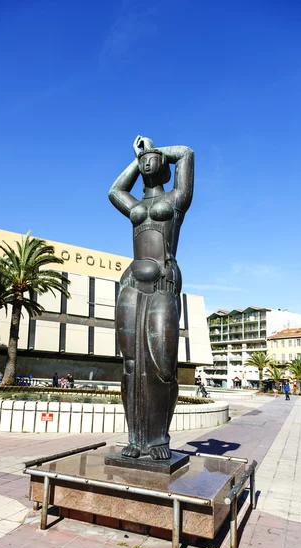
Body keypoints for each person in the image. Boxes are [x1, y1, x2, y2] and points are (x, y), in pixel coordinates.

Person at [109, 135, 193, 460]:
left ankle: (157, 437)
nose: (147, 161)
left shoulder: (175, 200)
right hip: (131, 282)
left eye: (152, 160)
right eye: (144, 161)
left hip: (162, 281)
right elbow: (114, 191)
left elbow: (186, 153)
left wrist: (158, 152)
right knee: (130, 363)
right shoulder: (136, 205)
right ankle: (135, 437)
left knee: (162, 363)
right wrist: (138, 158)